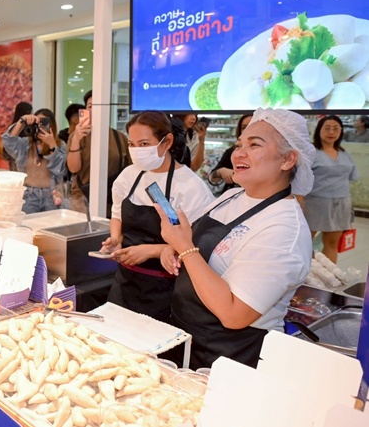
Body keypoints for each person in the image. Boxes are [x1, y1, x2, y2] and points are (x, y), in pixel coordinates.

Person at [156, 108, 314, 370]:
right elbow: (197, 249)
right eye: (239, 144)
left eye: (254, 145)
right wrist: (173, 248)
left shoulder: (284, 230)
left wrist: (185, 248)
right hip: (187, 337)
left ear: (288, 160)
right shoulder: (233, 196)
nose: (238, 153)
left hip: (231, 356)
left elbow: (234, 314)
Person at [100, 111, 214, 322]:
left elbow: (198, 244)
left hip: (167, 289)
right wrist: (116, 239)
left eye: (144, 144)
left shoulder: (190, 186)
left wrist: (151, 251)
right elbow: (117, 214)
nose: (137, 151)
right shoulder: (129, 176)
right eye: (132, 144)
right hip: (124, 283)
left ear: (167, 142)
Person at [302, 115, 359, 264]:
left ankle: (328, 275)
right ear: (319, 130)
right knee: (305, 242)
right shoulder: (310, 153)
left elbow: (351, 177)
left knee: (332, 243)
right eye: (327, 128)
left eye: (336, 128)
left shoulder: (345, 154)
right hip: (314, 203)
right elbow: (299, 179)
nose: (331, 132)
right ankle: (305, 273)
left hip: (341, 204)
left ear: (341, 131)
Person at [67, 90, 131, 216]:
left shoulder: (119, 137)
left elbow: (129, 169)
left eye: (98, 105)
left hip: (112, 200)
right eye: (90, 106)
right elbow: (73, 168)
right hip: (82, 200)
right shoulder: (76, 137)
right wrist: (76, 139)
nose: (94, 110)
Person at [2, 108, 67, 213]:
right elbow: (8, 141)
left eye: (44, 123)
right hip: (29, 195)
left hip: (52, 196)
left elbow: (62, 170)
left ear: (51, 126)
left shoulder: (59, 145)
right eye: (38, 122)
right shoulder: (25, 144)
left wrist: (52, 146)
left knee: (51, 223)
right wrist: (22, 121)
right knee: (28, 223)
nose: (40, 126)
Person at [208, 114, 253, 194]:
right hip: (232, 196)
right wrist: (221, 171)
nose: (247, 130)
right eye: (244, 127)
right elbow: (212, 179)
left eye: (251, 126)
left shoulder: (268, 153)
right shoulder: (231, 151)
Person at [3, 102, 32, 171]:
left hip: (14, 162)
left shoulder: (13, 128)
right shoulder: (26, 129)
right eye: (30, 112)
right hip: (21, 164)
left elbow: (5, 151)